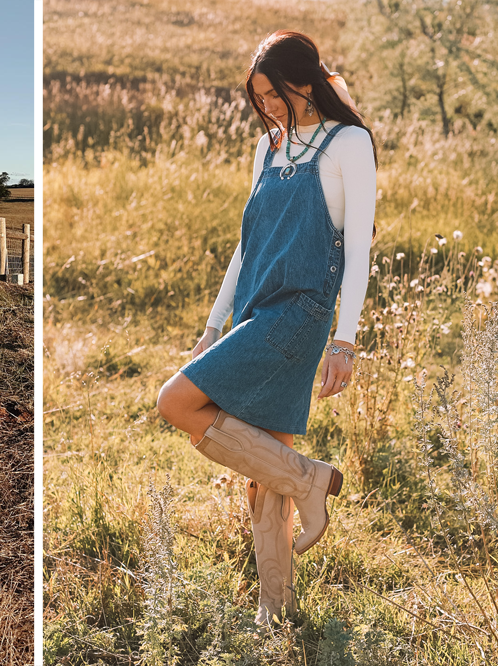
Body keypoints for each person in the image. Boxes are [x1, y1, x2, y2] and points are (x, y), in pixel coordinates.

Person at [156, 31, 377, 626]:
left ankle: (312, 482)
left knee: (174, 400)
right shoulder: (268, 147)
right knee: (264, 478)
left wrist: (345, 339)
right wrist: (211, 327)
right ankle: (276, 615)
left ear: (303, 83)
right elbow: (245, 245)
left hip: (298, 317)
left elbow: (359, 250)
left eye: (272, 94)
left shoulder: (348, 143)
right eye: (257, 98)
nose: (267, 107)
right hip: (255, 311)